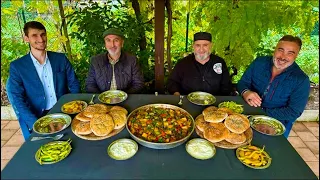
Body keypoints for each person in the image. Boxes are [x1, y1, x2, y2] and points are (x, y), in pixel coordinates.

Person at [6, 21, 80, 140]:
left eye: (43, 34)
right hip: (38, 116)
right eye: (34, 35)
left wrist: (73, 109)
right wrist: (36, 124)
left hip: (64, 111)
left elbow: (74, 84)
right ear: (26, 38)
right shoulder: (18, 67)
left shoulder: (60, 59)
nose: (40, 39)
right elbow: (17, 99)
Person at [237, 35, 310, 138]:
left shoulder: (301, 80)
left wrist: (261, 113)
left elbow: (294, 112)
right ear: (274, 50)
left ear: (296, 55)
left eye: (290, 53)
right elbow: (242, 83)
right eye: (280, 50)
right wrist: (246, 92)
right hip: (247, 113)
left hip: (276, 122)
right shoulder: (259, 62)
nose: (283, 57)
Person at [167, 32, 232, 96]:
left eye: (205, 45)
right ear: (193, 46)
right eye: (198, 45)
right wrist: (177, 95)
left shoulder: (219, 62)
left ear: (211, 45)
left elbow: (226, 86)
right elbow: (172, 82)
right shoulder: (183, 63)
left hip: (214, 103)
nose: (201, 49)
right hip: (187, 102)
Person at [85, 28, 144, 93]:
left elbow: (139, 84)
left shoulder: (132, 60)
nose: (112, 45)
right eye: (108, 40)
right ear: (105, 44)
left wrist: (123, 96)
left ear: (122, 43)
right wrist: (101, 98)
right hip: (101, 101)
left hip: (126, 99)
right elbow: (90, 84)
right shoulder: (96, 61)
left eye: (116, 40)